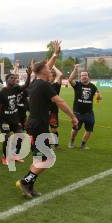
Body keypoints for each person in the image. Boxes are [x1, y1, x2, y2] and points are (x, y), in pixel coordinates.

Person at [16, 54, 78, 199]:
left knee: (39, 159)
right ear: (43, 71)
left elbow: (45, 67)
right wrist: (73, 117)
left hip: (35, 125)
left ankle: (29, 186)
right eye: (48, 69)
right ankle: (25, 182)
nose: (51, 71)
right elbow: (60, 102)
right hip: (38, 127)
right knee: (48, 159)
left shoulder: (36, 82)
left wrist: (55, 55)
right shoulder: (44, 85)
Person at [0, 69, 31, 165]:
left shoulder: (16, 89)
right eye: (11, 78)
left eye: (15, 78)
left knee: (21, 136)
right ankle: (5, 157)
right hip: (5, 121)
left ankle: (15, 155)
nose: (14, 79)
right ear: (6, 80)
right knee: (7, 138)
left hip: (15, 119)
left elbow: (26, 86)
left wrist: (29, 75)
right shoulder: (1, 93)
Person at [67, 64, 101, 149]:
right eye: (82, 75)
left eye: (85, 75)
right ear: (80, 77)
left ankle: (83, 144)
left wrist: (99, 96)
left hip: (89, 113)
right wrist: (75, 69)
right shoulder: (77, 85)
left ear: (88, 76)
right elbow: (70, 79)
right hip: (77, 113)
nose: (83, 77)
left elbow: (98, 95)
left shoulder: (93, 86)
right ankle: (71, 142)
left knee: (89, 130)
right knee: (75, 129)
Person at [48, 66, 63, 148]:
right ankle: (47, 144)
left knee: (53, 128)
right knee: (43, 128)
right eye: (50, 76)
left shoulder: (56, 85)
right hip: (43, 110)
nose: (52, 77)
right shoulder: (44, 85)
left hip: (53, 110)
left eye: (53, 76)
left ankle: (56, 144)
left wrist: (53, 66)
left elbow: (60, 75)